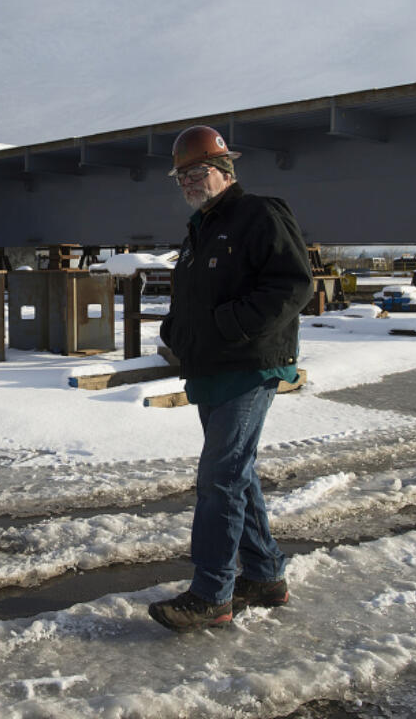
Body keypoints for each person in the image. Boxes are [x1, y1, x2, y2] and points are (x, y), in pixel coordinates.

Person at [148, 125, 314, 632]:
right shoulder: (200, 229)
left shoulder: (259, 214)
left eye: (197, 173)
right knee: (236, 475)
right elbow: (191, 299)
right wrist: (177, 332)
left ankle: (212, 593)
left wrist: (227, 328)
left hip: (248, 365)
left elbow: (294, 285)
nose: (189, 184)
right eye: (181, 177)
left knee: (219, 476)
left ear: (225, 171)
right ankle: (264, 576)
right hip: (211, 370)